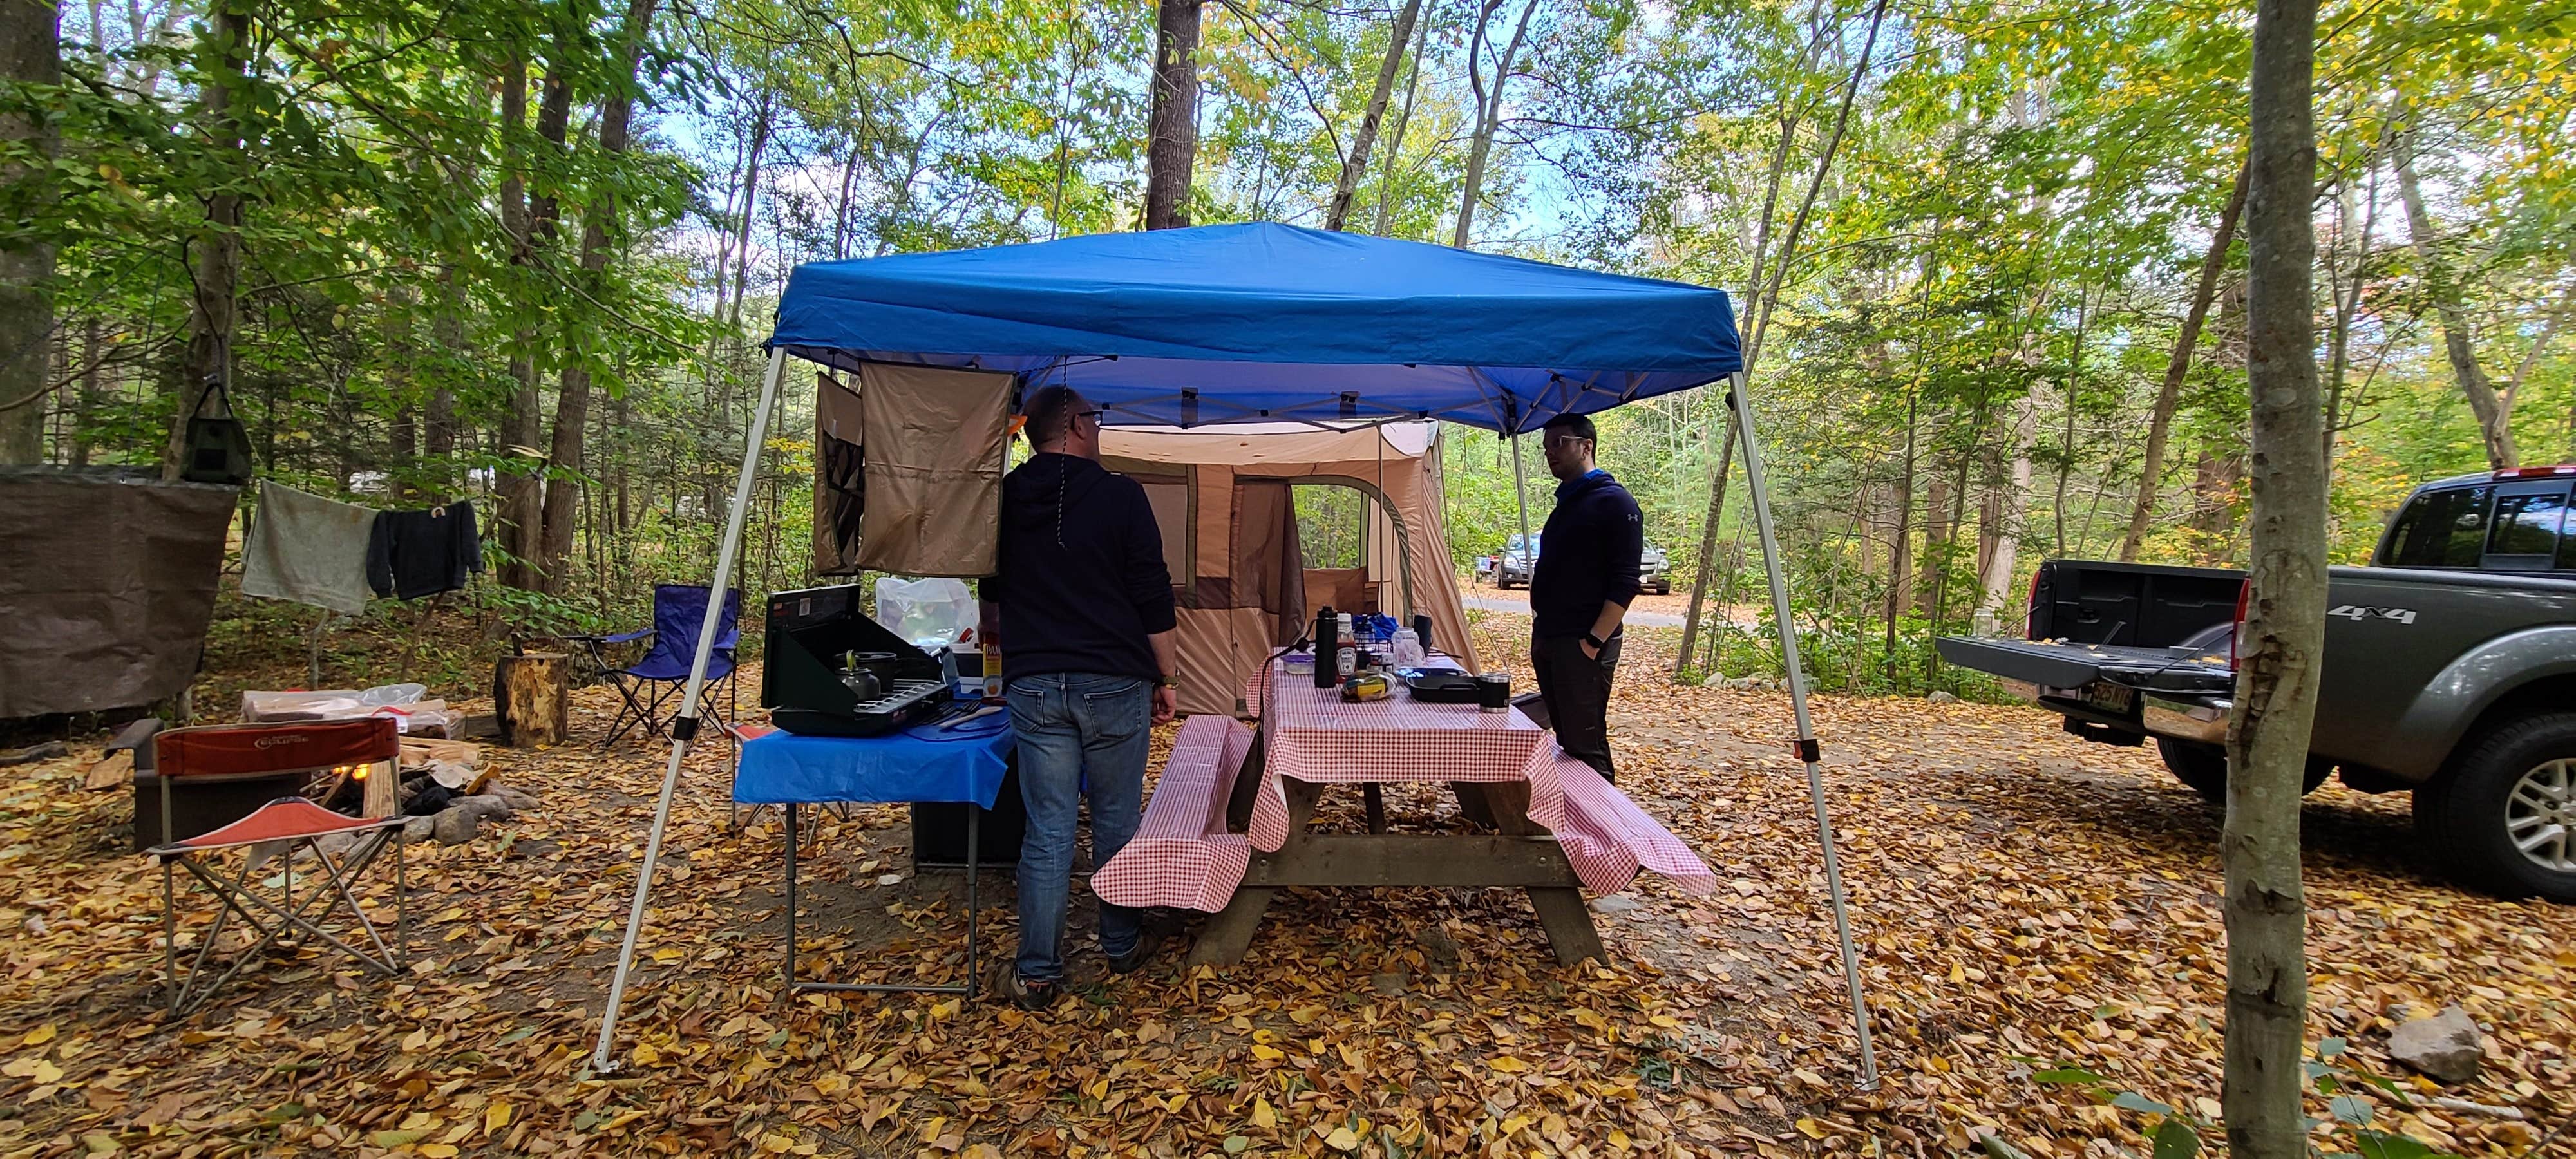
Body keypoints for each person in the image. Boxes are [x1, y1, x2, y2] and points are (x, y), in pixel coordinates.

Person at [978, 384, 1179, 1008]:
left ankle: (1037, 971)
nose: (1100, 426)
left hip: (1035, 685)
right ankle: (1119, 945)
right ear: (1079, 426)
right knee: (1117, 820)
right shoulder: (1121, 496)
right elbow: (1153, 596)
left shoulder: (1001, 500)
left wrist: (996, 664)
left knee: (1048, 830)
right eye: (1097, 416)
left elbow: (989, 597)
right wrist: (1166, 678)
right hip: (1115, 681)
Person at [1527, 412, 1642, 782]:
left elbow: (1626, 581)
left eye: (1559, 443)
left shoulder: (1615, 502)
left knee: (1586, 743)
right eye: (1546, 447)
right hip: (1551, 635)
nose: (1550, 453)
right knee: (1567, 741)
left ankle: (1611, 835)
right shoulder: (1568, 504)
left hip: (1582, 642)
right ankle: (1577, 826)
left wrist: (1593, 641)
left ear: (1586, 446)